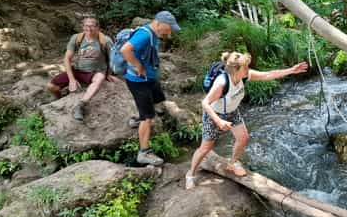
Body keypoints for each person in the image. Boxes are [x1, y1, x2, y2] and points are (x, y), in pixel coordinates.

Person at [184, 51, 308, 189]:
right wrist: (219, 121)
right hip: (214, 115)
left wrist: (291, 70)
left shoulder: (243, 76)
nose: (248, 69)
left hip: (232, 112)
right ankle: (190, 174)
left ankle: (232, 163)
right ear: (236, 70)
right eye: (245, 67)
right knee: (205, 148)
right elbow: (205, 103)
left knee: (243, 138)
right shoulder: (222, 82)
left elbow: (267, 75)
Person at [121, 10, 180, 166]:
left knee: (158, 99)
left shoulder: (153, 33)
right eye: (168, 28)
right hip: (139, 81)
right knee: (148, 118)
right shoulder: (145, 35)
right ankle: (144, 152)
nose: (169, 32)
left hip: (149, 78)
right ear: (159, 23)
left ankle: (138, 117)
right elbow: (125, 50)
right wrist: (138, 65)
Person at [46, 16, 117, 121]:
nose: (88, 28)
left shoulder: (105, 41)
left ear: (98, 27)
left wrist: (108, 74)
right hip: (78, 70)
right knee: (51, 86)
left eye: (92, 26)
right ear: (83, 27)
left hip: (96, 71)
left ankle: (81, 105)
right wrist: (72, 80)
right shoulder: (77, 38)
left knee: (99, 79)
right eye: (86, 26)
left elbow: (112, 60)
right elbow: (67, 58)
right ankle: (60, 98)